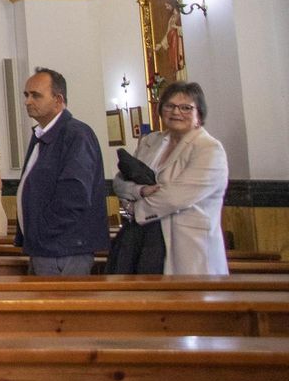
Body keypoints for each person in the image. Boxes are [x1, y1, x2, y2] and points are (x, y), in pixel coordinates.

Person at [111, 81, 229, 275]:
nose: (176, 112)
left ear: (199, 114)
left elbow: (174, 197)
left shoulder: (208, 149)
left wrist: (135, 209)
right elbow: (119, 181)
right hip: (146, 242)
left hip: (188, 247)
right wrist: (138, 190)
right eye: (170, 106)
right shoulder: (150, 141)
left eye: (185, 108)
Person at [16, 68, 109, 275]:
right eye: (26, 95)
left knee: (61, 306)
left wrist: (42, 231)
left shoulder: (76, 135)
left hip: (63, 249)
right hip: (46, 247)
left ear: (58, 100)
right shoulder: (42, 134)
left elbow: (74, 194)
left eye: (36, 95)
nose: (27, 101)